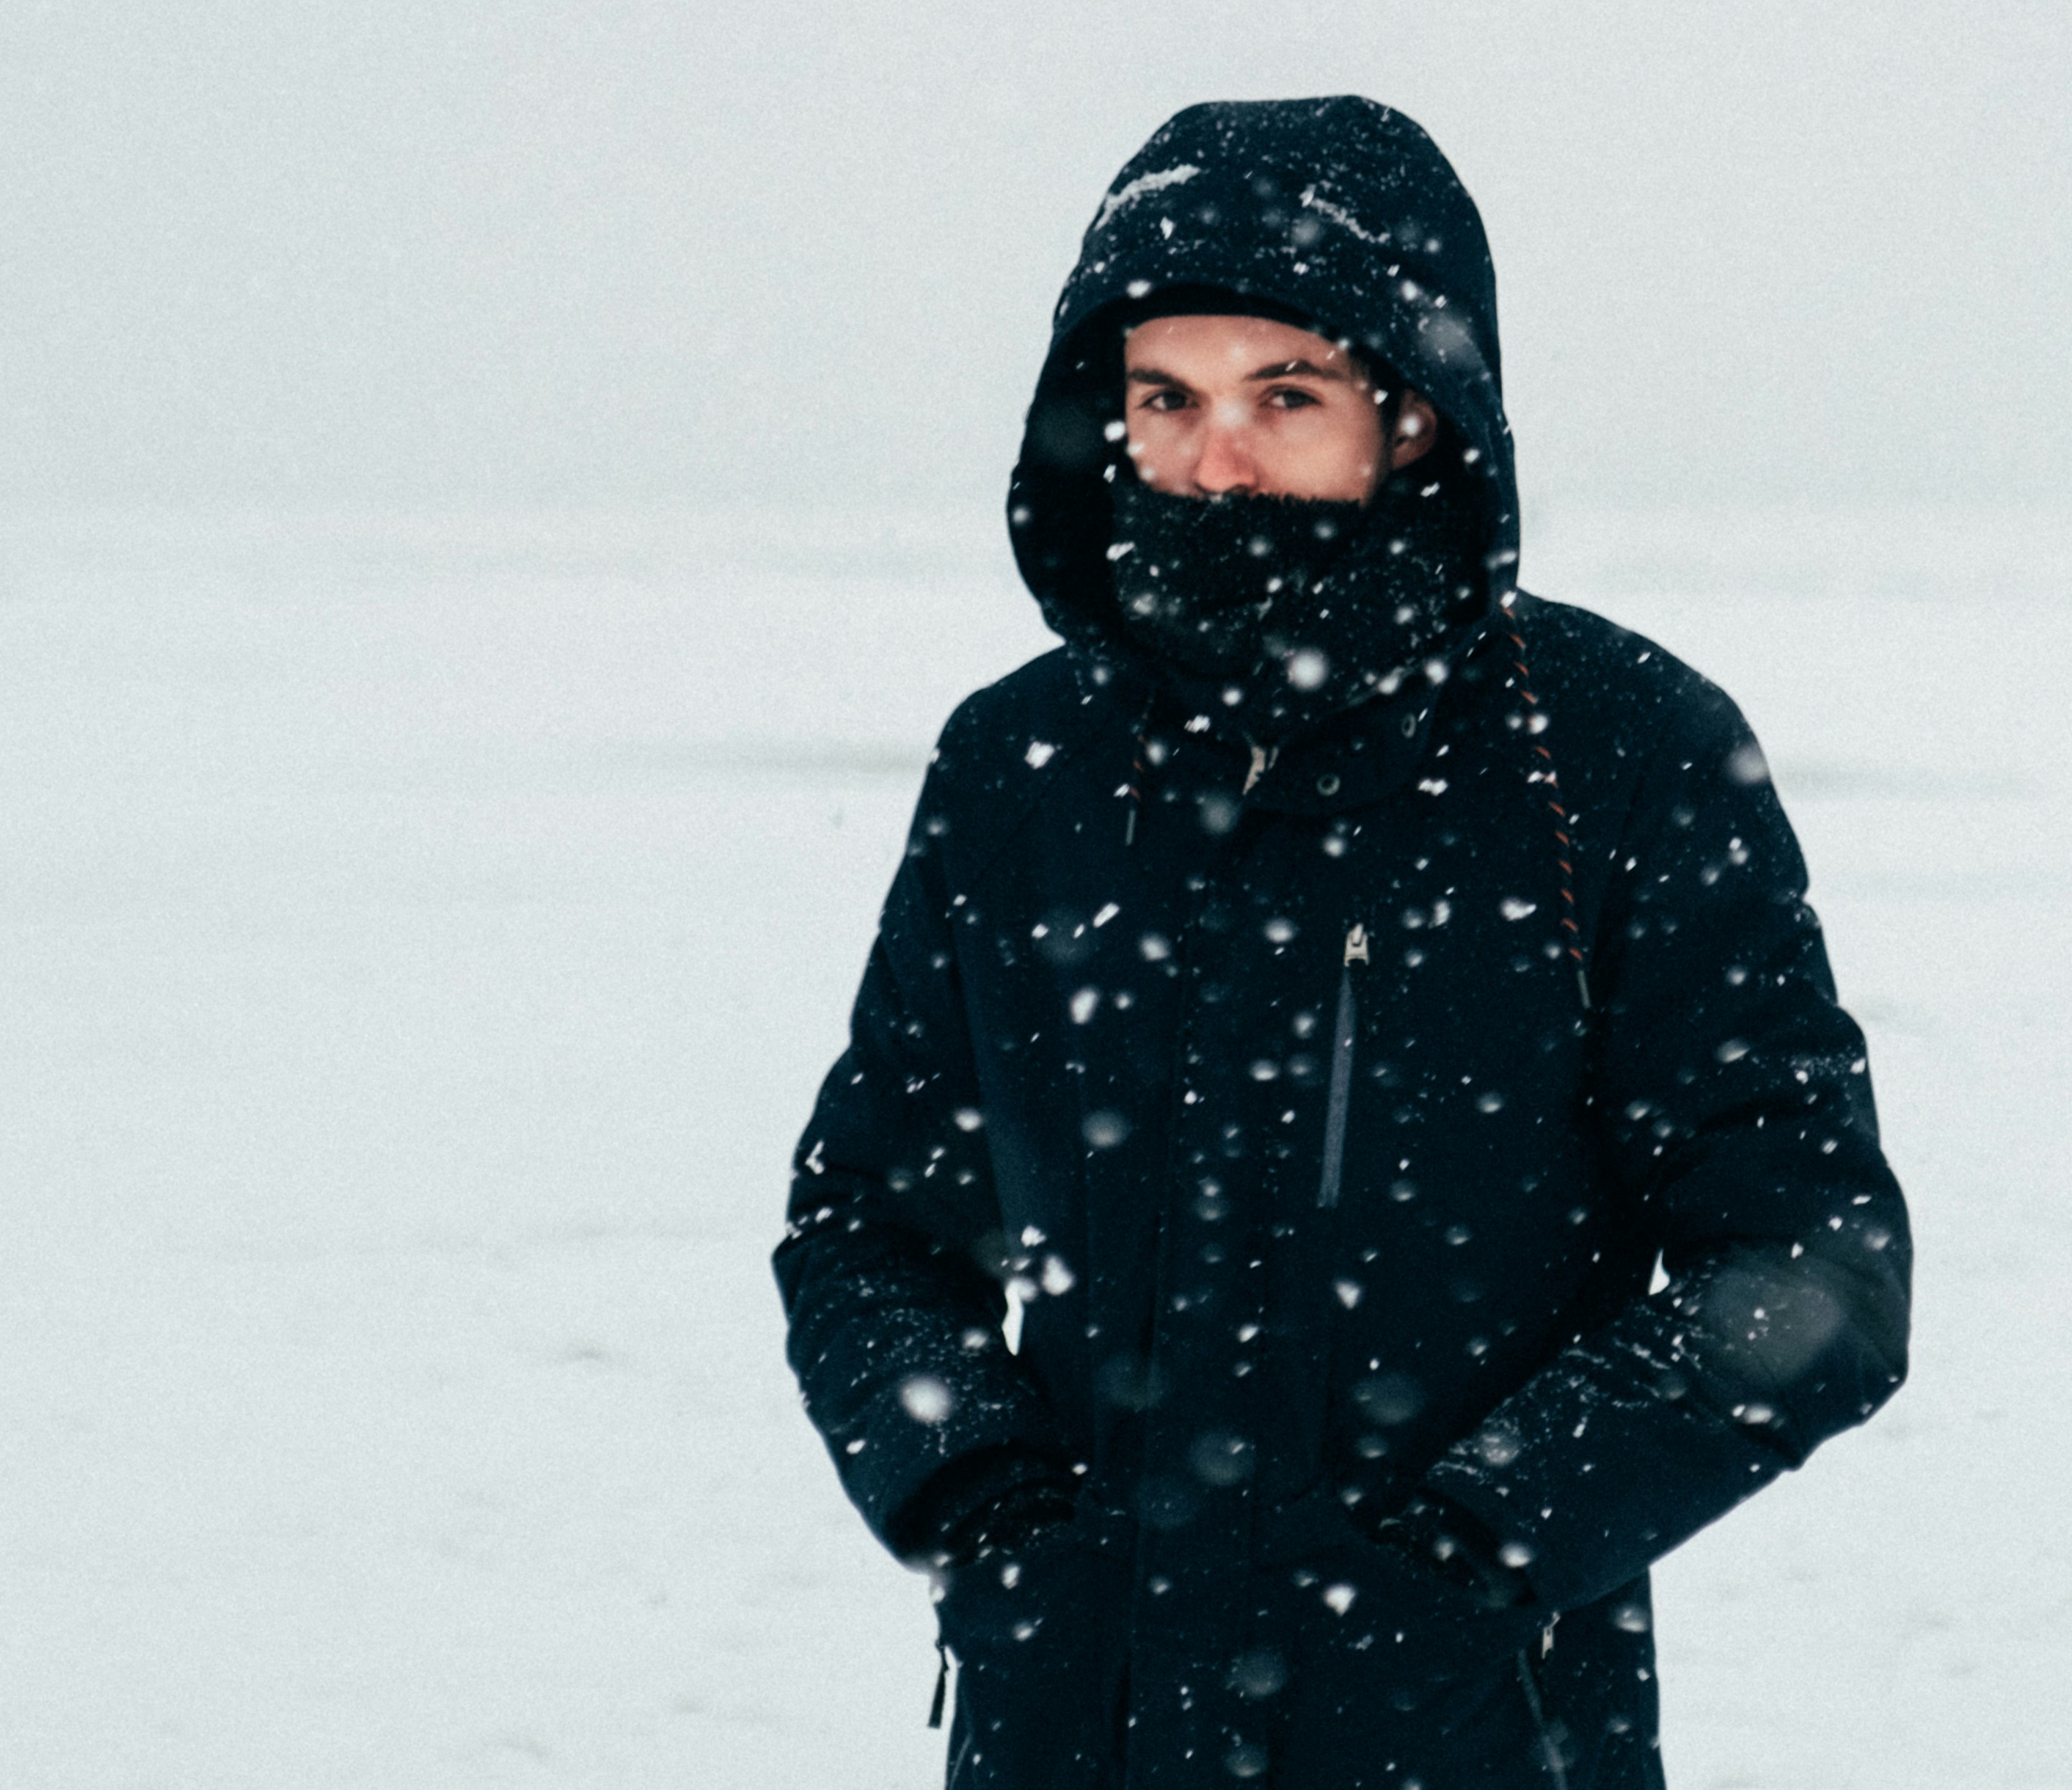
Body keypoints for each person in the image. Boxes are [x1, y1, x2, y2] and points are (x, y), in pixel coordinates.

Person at [776, 95, 1911, 1788]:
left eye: (1284, 395)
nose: (1215, 460)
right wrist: (986, 1512)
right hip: (1071, 1731)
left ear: (1418, 413)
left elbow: (1811, 1265)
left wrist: (1478, 1550)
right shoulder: (1022, 767)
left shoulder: (1615, 751)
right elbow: (867, 1226)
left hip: (1465, 1734)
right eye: (1166, 399)